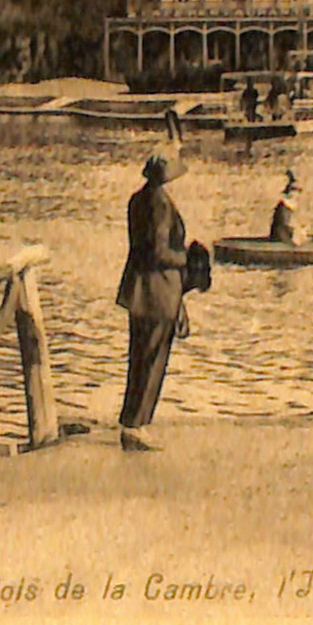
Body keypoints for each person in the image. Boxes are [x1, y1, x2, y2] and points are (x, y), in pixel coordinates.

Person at [114, 143, 192, 452]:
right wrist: (187, 258)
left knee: (139, 356)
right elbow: (160, 251)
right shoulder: (160, 204)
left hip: (138, 288)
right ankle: (137, 426)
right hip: (159, 290)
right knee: (153, 359)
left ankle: (130, 422)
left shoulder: (137, 199)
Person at [269, 170, 308, 245]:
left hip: (285, 237)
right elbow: (282, 228)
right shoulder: (284, 207)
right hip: (280, 240)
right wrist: (292, 240)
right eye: (295, 192)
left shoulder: (288, 206)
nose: (297, 195)